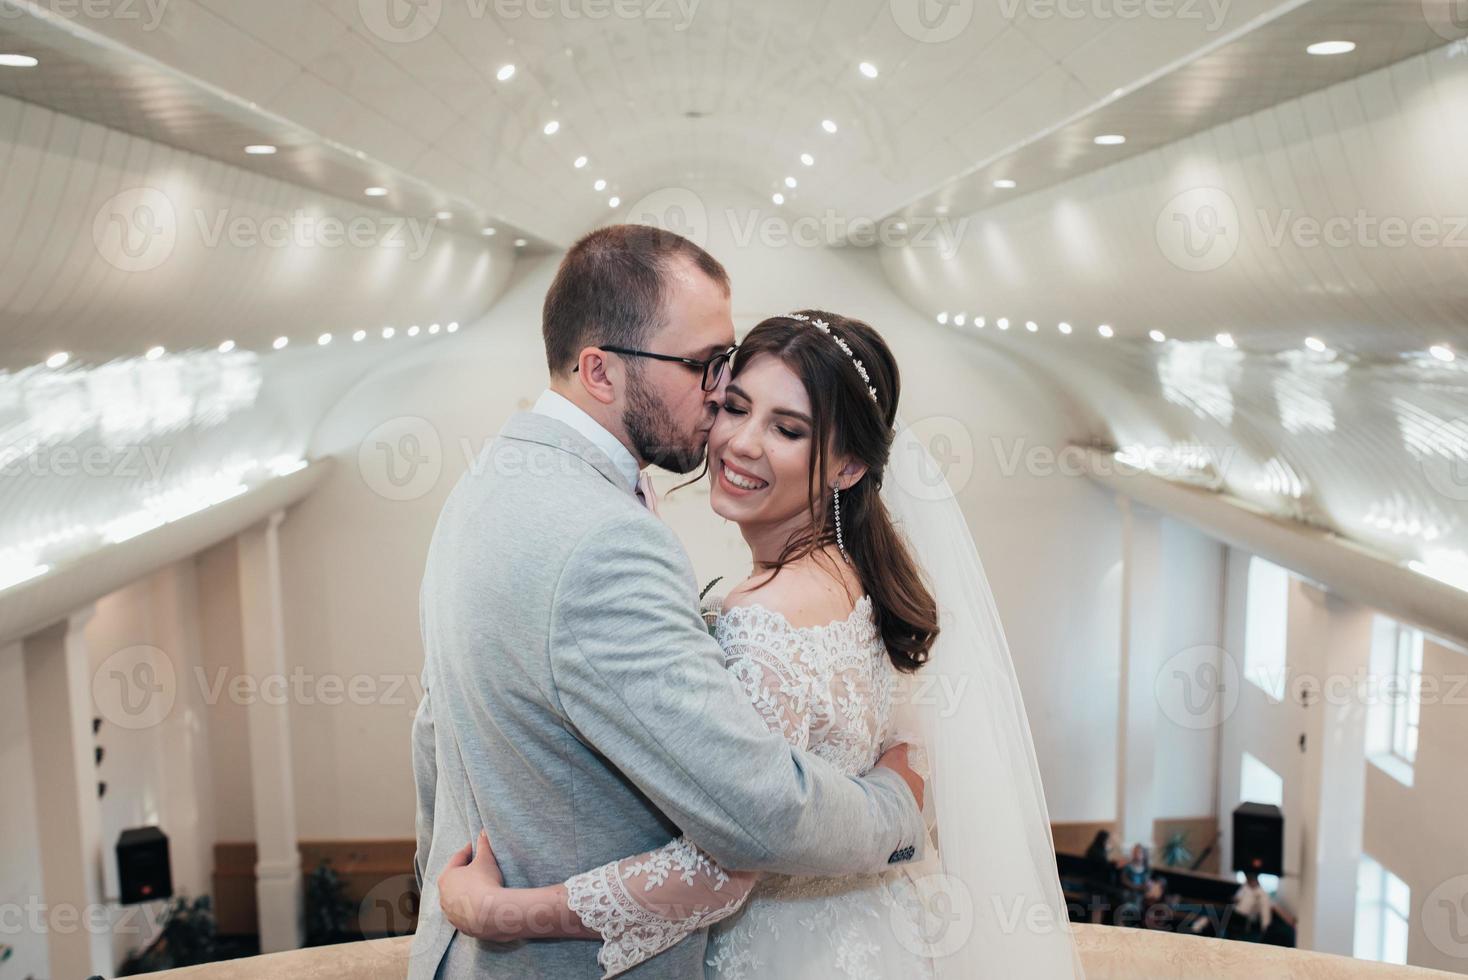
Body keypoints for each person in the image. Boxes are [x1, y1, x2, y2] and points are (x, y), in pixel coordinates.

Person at [436, 310, 1085, 978]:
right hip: (879, 938)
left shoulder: (762, 619)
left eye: (788, 429)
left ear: (849, 465)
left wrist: (503, 913)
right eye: (736, 408)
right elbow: (905, 755)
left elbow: (721, 869)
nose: (742, 443)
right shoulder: (862, 582)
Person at [408, 229, 928, 980]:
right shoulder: (604, 540)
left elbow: (433, 734)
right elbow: (758, 813)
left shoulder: (484, 484)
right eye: (706, 368)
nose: (719, 395)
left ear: (846, 465)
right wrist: (897, 809)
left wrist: (452, 906)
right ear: (600, 371)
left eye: (783, 425)